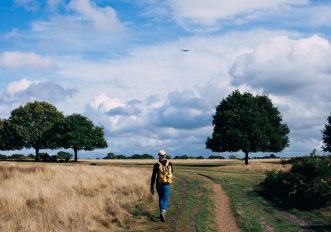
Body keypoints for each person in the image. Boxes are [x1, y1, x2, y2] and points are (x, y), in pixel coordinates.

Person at [150, 149, 173, 222]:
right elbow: (171, 173)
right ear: (165, 155)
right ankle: (163, 211)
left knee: (161, 198)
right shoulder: (170, 163)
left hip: (158, 184)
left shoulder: (156, 165)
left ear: (159, 156)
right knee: (165, 199)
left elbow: (153, 176)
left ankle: (161, 214)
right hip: (167, 184)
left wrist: (151, 186)